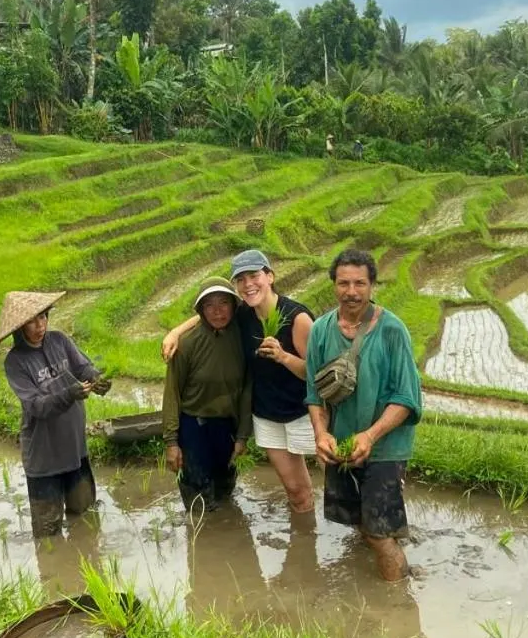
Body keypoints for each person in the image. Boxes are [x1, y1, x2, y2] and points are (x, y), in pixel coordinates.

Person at [162, 250, 316, 513]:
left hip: (302, 412)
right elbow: (211, 312)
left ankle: (324, 538)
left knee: (323, 481)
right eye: (241, 279)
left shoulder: (296, 318)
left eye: (254, 276)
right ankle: (299, 539)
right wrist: (175, 331)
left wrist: (283, 357)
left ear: (270, 276)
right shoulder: (243, 315)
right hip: (267, 415)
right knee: (292, 489)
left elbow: (317, 374)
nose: (248, 284)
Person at [306, 248, 422, 581]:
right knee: (358, 519)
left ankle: (397, 603)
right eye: (344, 283)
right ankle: (394, 569)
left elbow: (406, 397)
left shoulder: (391, 331)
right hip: (341, 444)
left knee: (378, 532)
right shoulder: (320, 331)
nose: (351, 292)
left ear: (372, 286)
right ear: (334, 286)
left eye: (360, 283)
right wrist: (321, 434)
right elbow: (315, 394)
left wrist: (370, 435)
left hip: (385, 445)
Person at [0, 290, 111, 538]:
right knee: (48, 534)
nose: (40, 325)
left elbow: (82, 367)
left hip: (75, 449)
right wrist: (69, 394)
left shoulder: (60, 341)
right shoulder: (16, 362)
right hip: (44, 457)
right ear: (19, 327)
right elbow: (36, 406)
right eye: (32, 321)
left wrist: (95, 379)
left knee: (85, 517)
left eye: (44, 317)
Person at [161, 277, 251, 511]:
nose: (217, 311)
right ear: (201, 309)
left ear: (234, 305)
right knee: (198, 501)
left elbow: (246, 389)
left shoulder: (242, 337)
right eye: (209, 305)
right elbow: (171, 394)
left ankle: (225, 539)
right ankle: (201, 542)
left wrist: (242, 436)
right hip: (194, 428)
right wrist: (171, 442)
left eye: (223, 303)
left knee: (225, 490)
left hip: (227, 428)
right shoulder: (186, 345)